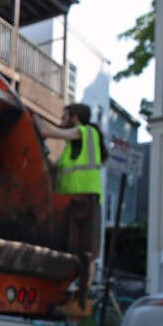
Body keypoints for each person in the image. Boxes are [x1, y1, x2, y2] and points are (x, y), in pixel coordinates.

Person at [36, 103, 107, 299]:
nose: (61, 121)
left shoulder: (86, 132)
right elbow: (52, 167)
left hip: (86, 199)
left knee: (86, 251)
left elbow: (47, 131)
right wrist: (44, 151)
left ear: (75, 117)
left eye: (64, 116)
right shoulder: (69, 149)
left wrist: (34, 118)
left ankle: (83, 293)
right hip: (70, 202)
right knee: (71, 248)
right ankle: (70, 289)